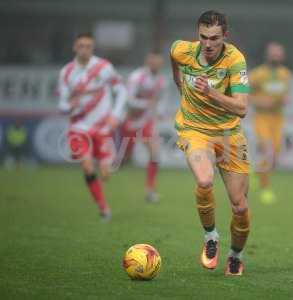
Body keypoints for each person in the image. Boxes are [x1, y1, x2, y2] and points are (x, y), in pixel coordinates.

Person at [170, 10, 250, 276]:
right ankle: (211, 236)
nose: (208, 43)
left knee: (240, 206)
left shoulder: (235, 60)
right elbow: (173, 54)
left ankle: (236, 256)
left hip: (229, 135)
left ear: (225, 36)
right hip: (194, 130)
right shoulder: (184, 51)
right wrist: (178, 81)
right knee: (204, 181)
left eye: (214, 38)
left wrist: (211, 92)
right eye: (203, 37)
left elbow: (241, 108)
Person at [58, 32, 127, 219]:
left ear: (92, 48)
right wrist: (68, 106)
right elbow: (62, 104)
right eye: (81, 46)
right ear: (75, 47)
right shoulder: (66, 72)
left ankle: (104, 174)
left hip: (103, 128)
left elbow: (121, 90)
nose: (84, 49)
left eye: (88, 46)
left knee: (105, 173)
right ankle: (103, 208)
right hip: (79, 127)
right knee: (87, 166)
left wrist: (116, 115)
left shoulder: (103, 68)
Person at [120, 52, 166, 203]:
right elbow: (129, 101)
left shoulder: (161, 81)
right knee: (123, 159)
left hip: (146, 121)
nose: (156, 64)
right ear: (148, 61)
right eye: (153, 61)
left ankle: (150, 190)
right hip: (129, 122)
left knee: (154, 153)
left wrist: (159, 112)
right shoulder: (136, 77)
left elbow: (158, 101)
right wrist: (147, 104)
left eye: (158, 61)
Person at [249, 42, 291, 204]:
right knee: (268, 151)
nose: (276, 56)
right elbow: (244, 94)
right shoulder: (257, 74)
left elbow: (283, 95)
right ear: (267, 55)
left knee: (274, 159)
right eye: (273, 53)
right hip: (262, 118)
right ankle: (266, 190)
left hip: (278, 119)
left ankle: (255, 170)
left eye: (278, 53)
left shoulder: (286, 74)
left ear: (282, 56)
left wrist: (285, 99)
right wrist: (260, 101)